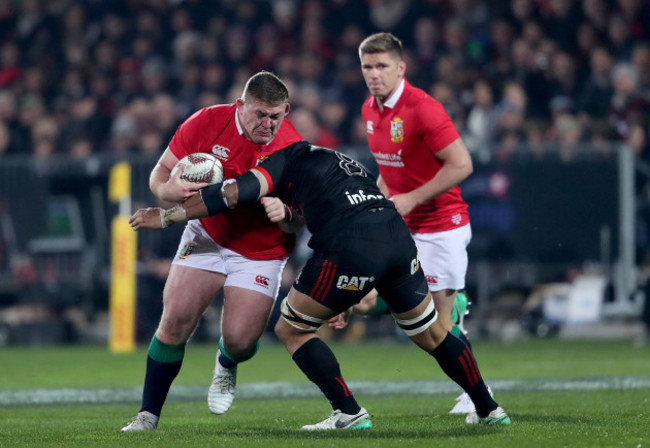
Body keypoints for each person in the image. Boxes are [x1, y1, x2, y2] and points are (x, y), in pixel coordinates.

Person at [129, 141, 511, 429]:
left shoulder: (282, 160)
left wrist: (167, 217)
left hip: (351, 243)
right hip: (395, 234)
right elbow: (314, 206)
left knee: (291, 327)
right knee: (431, 332)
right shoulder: (340, 160)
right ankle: (489, 409)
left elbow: (233, 193)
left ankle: (348, 411)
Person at [121, 71, 304, 432]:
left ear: (286, 111)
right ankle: (147, 415)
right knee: (174, 323)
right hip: (207, 235)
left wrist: (286, 215)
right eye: (259, 115)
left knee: (240, 341)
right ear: (240, 106)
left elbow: (300, 219)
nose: (268, 125)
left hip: (261, 250)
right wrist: (169, 192)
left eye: (275, 116)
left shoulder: (293, 146)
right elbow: (160, 175)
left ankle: (226, 361)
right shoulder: (206, 121)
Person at [356, 32, 486, 415]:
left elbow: (462, 164)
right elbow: (389, 171)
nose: (374, 74)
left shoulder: (423, 108)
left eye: (382, 66)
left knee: (438, 332)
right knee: (362, 301)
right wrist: (377, 209)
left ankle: (478, 393)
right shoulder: (369, 110)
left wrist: (412, 198)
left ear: (401, 68)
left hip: (441, 224)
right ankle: (453, 300)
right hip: (403, 226)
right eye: (367, 67)